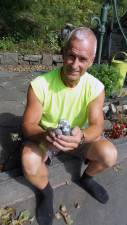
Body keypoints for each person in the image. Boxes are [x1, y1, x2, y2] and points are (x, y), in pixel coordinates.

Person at [22, 27, 117, 225]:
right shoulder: (40, 85)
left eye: (82, 59)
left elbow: (97, 125)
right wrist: (45, 135)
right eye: (71, 56)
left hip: (78, 139)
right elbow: (28, 126)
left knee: (109, 155)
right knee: (29, 161)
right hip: (47, 138)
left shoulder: (95, 88)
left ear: (91, 60)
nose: (75, 65)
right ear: (63, 54)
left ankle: (87, 178)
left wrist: (81, 136)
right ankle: (45, 192)